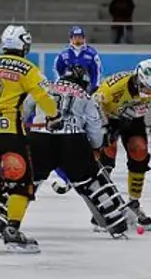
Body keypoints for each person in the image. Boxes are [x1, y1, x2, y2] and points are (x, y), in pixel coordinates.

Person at [0, 24, 58, 253]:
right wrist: (55, 115)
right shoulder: (28, 68)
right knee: (21, 183)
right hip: (10, 132)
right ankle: (12, 231)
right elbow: (43, 96)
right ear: (24, 44)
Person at [23, 64, 129, 238]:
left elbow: (26, 107)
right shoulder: (86, 96)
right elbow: (94, 126)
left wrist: (19, 125)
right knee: (92, 184)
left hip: (41, 138)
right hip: (73, 140)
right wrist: (96, 147)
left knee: (27, 181)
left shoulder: (46, 87)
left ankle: (3, 218)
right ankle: (116, 224)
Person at [93, 59, 151, 231]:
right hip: (108, 116)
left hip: (132, 117)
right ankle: (104, 207)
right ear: (138, 80)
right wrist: (104, 127)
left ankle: (134, 202)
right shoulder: (113, 88)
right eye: (147, 88)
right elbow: (95, 103)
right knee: (107, 156)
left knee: (139, 151)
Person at [50, 25, 103, 195]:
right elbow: (56, 70)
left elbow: (97, 72)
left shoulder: (91, 53)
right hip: (66, 95)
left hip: (82, 94)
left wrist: (93, 89)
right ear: (71, 38)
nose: (78, 40)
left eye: (80, 37)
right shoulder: (64, 54)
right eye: (75, 37)